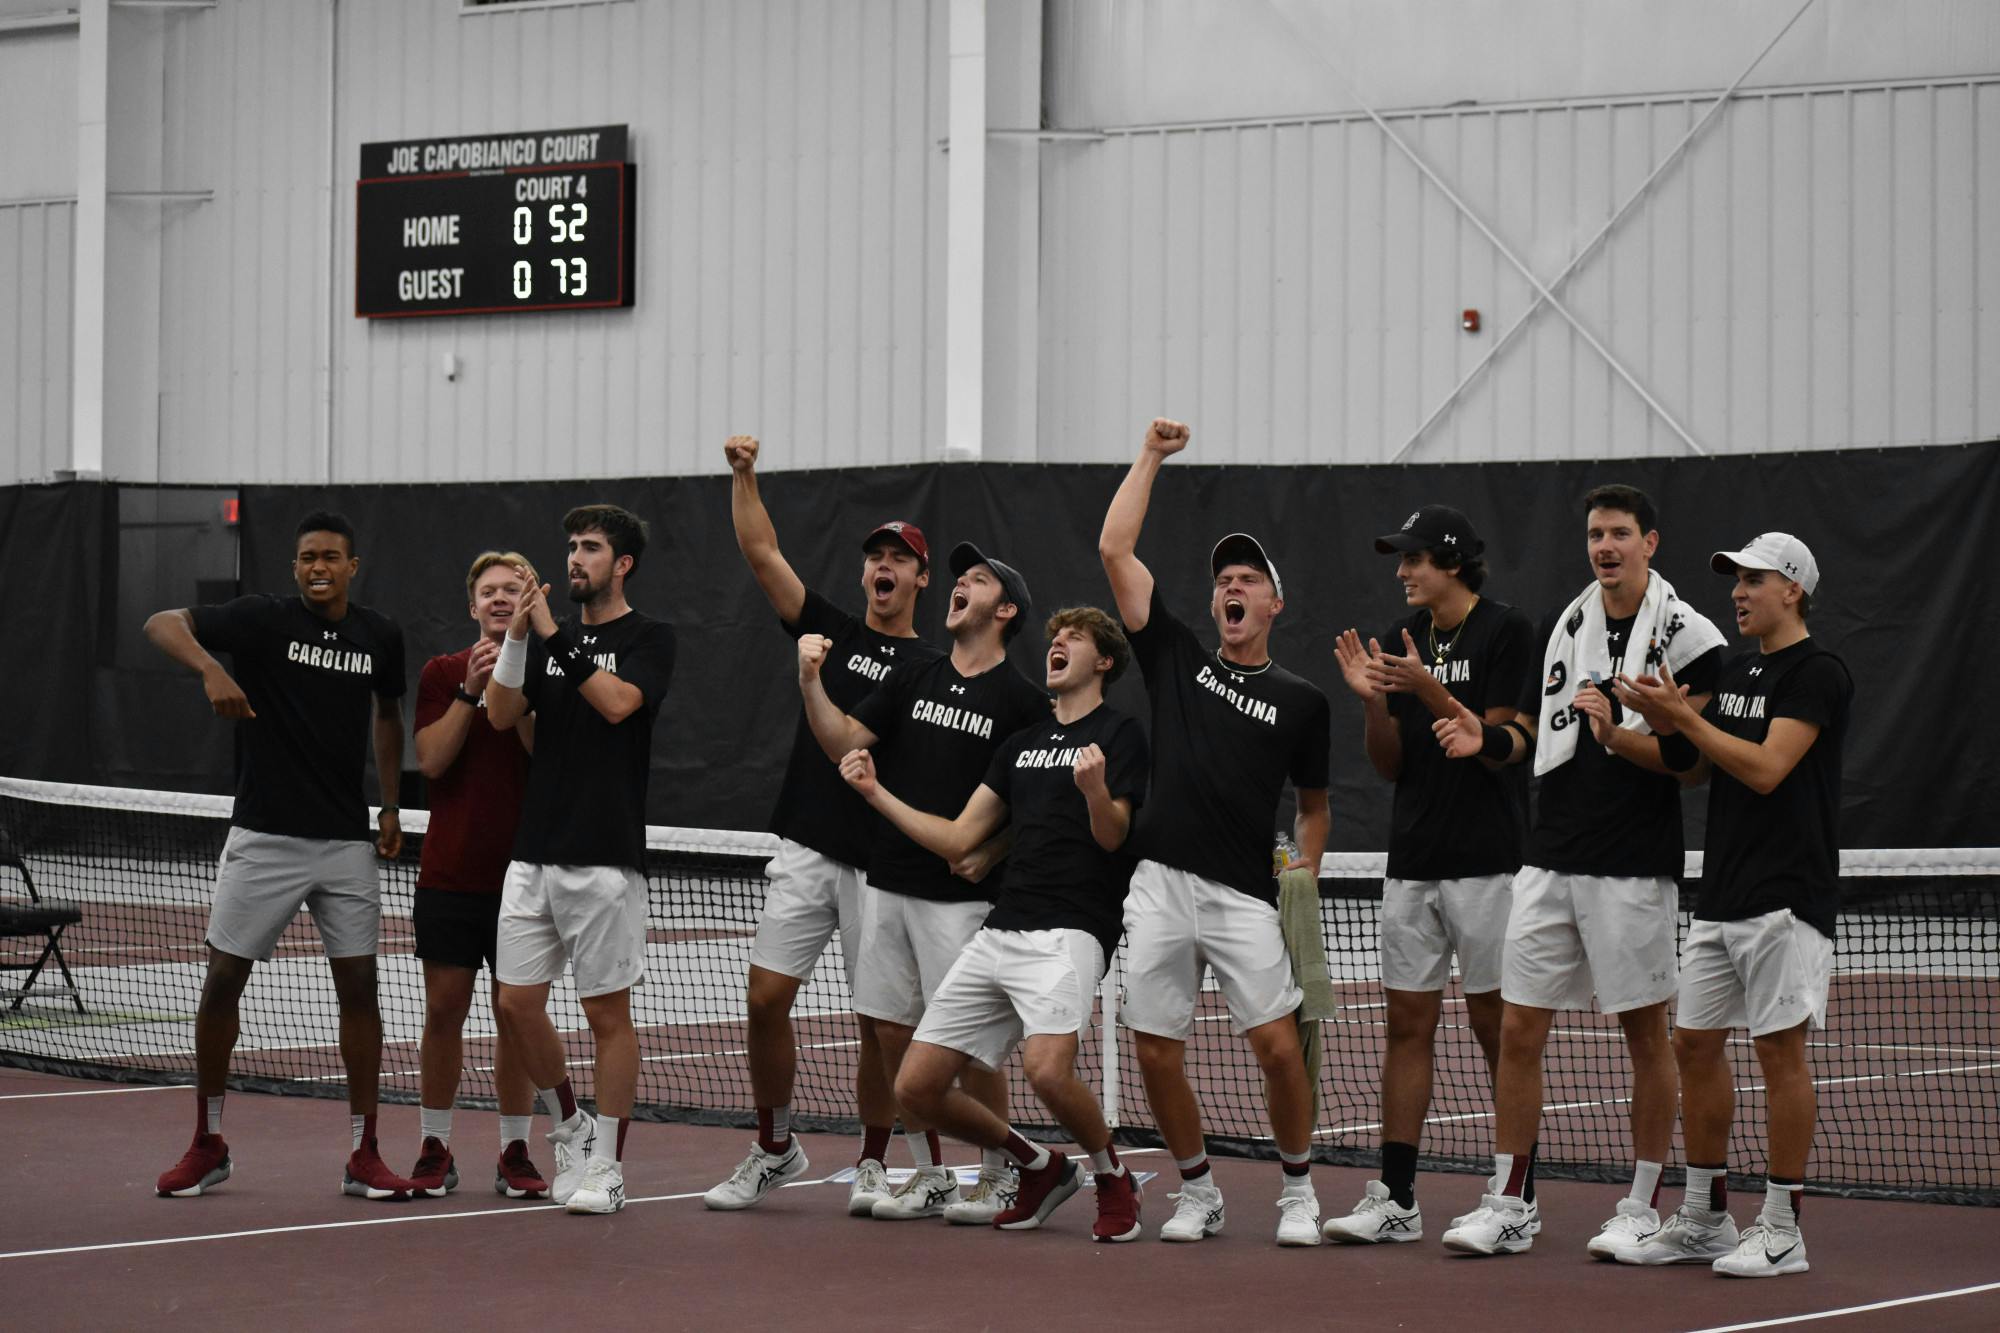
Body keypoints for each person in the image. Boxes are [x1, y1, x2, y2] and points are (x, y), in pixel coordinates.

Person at [1436, 484, 1726, 1259]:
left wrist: (1623, 737)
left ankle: (1639, 1203)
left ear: (1650, 543)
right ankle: (1509, 1201)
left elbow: (1696, 764)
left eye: (1620, 533)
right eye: (1596, 533)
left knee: (1644, 1034)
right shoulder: (1568, 622)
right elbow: (1536, 737)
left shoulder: (1691, 638)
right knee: (1519, 1024)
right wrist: (1486, 736)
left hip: (1632, 864)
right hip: (1549, 856)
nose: (1605, 546)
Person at [840, 607, 1150, 1241]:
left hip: (1071, 929)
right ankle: (1038, 1164)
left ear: (1105, 662)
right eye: (1056, 636)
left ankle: (1112, 1176)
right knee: (917, 1089)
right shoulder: (1021, 744)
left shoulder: (1120, 735)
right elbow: (959, 839)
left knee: (1046, 1072)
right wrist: (876, 793)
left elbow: (1114, 836)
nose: (1057, 643)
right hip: (1002, 927)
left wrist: (1094, 791)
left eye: (1076, 639)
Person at [1098, 418, 1332, 1247]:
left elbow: (1314, 800)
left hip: (1242, 893)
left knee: (1275, 1047)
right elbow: (1116, 550)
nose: (1232, 587)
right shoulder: (1176, 658)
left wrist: (1309, 858)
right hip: (1160, 881)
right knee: (1155, 1049)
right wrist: (1152, 456)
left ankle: (1299, 1189)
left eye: (1248, 577)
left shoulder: (1303, 700)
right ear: (1213, 603)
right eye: (1222, 578)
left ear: (1274, 601)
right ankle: (1198, 1190)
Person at [703, 435, 944, 1216]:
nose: (885, 565)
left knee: (880, 1024)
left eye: (900, 557)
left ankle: (879, 1161)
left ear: (920, 577)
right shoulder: (828, 626)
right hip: (807, 843)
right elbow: (761, 548)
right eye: (876, 554)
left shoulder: (929, 671)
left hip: (879, 862)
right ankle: (774, 1146)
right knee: (766, 997)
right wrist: (744, 475)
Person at [148, 511, 416, 1201]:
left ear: (353, 565)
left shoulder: (379, 635)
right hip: (264, 836)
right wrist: (211, 669)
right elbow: (161, 622)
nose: (317, 566)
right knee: (221, 981)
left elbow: (388, 715)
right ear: (294, 566)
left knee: (361, 990)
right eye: (306, 557)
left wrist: (389, 805)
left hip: (345, 843)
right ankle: (208, 1141)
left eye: (330, 556)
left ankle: (364, 1152)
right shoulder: (261, 620)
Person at [1612, 533, 1851, 1278]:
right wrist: (1645, 722)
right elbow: (1697, 765)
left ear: (1793, 590)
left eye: (1754, 579)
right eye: (1735, 580)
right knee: (1693, 1045)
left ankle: (1781, 1227)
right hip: (1720, 893)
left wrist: (1684, 721)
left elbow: (1768, 768)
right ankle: (1706, 1216)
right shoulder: (1740, 667)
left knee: (1779, 1053)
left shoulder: (1818, 673)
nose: (1739, 592)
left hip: (1786, 897)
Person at [797, 541, 1050, 1220]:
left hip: (962, 904)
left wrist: (991, 848)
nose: (960, 584)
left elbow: (1042, 802)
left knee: (970, 1049)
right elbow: (843, 737)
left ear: (1006, 609)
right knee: (888, 1031)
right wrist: (810, 680)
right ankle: (932, 1170)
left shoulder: (1023, 703)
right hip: (887, 881)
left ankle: (1000, 1174)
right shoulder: (915, 677)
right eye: (960, 576)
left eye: (977, 579)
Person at [1323, 506, 1534, 1245]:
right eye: (1400, 559)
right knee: (1406, 1026)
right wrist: (1379, 700)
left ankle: (1515, 1199)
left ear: (1451, 561)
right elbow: (1391, 763)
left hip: (1489, 860)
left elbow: (1498, 740)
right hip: (1411, 860)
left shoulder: (1506, 631)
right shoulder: (1398, 638)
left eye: (1413, 558)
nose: (1401, 571)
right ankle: (1398, 1197)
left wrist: (1429, 687)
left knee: (1496, 1028)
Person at [486, 504, 677, 1216]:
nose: (575, 558)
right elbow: (503, 716)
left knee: (606, 1015)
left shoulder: (650, 638)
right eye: (570, 545)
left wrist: (552, 636)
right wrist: (515, 638)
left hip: (604, 855)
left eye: (590, 547)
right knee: (514, 1002)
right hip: (534, 852)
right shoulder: (543, 641)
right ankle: (570, 1124)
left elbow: (620, 703)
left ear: (622, 563)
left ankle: (607, 1166)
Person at [406, 551, 548, 1200]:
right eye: (488, 591)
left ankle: (515, 1147)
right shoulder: (440, 672)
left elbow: (538, 752)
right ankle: (435, 1143)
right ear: (471, 605)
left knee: (515, 1015)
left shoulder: (549, 670)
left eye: (511, 590)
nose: (498, 599)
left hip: (525, 878)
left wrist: (511, 682)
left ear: (528, 600)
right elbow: (431, 760)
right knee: (443, 1009)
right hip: (450, 874)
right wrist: (470, 687)